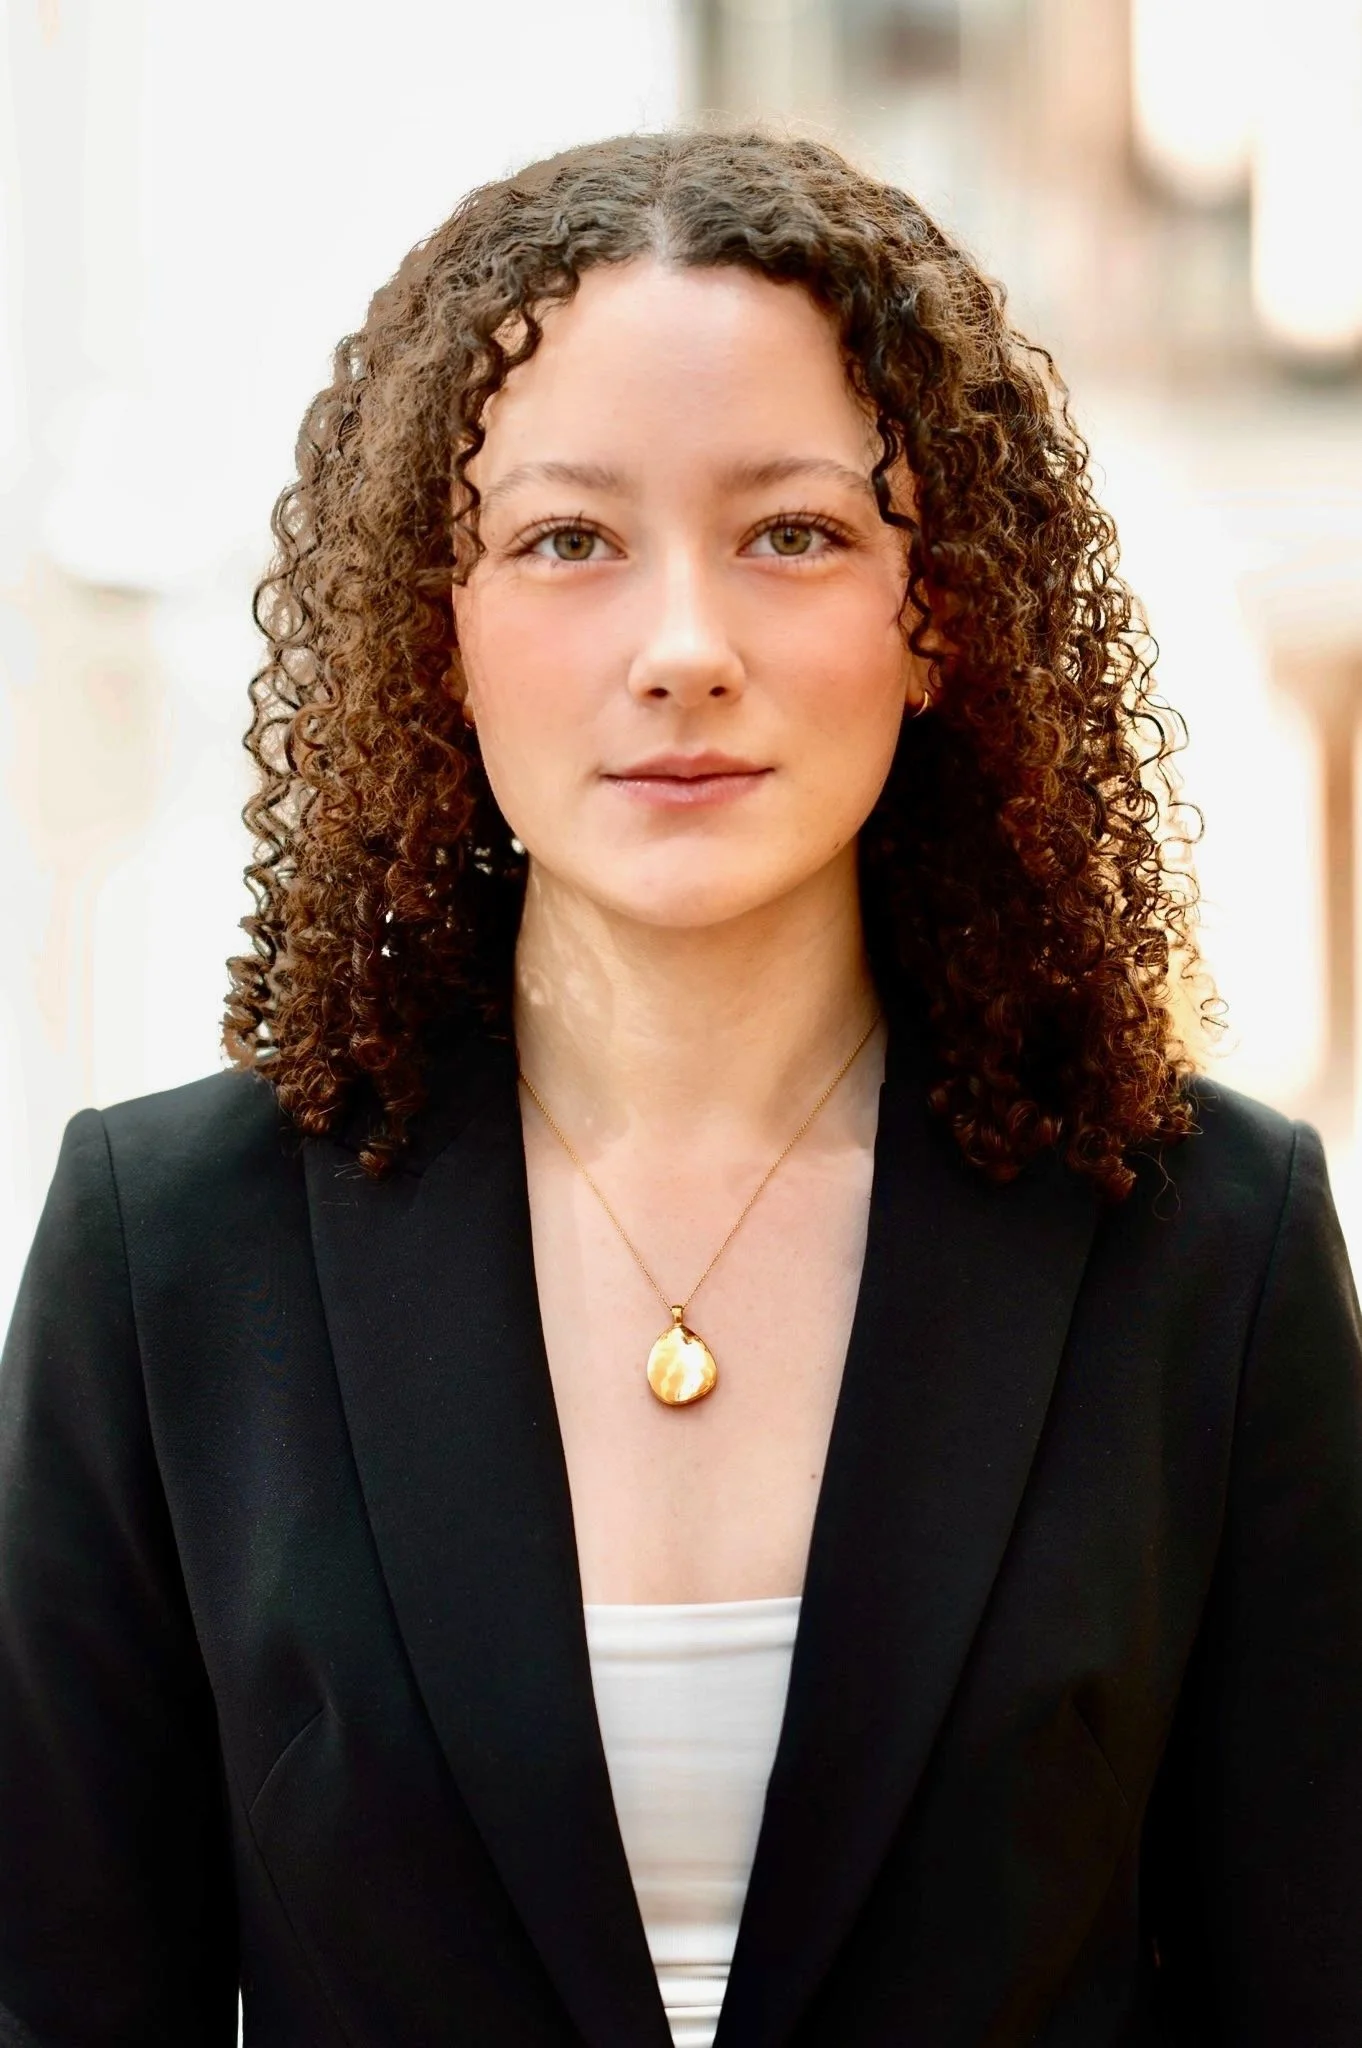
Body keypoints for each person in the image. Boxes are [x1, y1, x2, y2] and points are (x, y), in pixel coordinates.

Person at [2, 126, 1360, 2048]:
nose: (683, 650)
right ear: (437, 628)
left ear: (941, 615)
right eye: (567, 540)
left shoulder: (1203, 1246)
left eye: (792, 533)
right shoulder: (170, 1258)